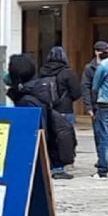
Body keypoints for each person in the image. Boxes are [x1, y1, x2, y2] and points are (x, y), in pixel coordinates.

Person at [7, 54, 76, 216]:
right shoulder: (32, 93)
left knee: (36, 215)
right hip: (35, 162)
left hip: (34, 164)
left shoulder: (28, 99)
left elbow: (35, 133)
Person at [39, 46, 81, 180]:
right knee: (65, 139)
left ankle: (50, 164)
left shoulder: (42, 72)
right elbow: (76, 92)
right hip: (64, 109)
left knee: (50, 138)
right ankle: (60, 167)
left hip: (47, 109)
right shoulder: (68, 73)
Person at [83, 41, 108, 178]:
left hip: (106, 103)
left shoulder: (104, 65)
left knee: (104, 137)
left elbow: (94, 86)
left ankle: (103, 170)